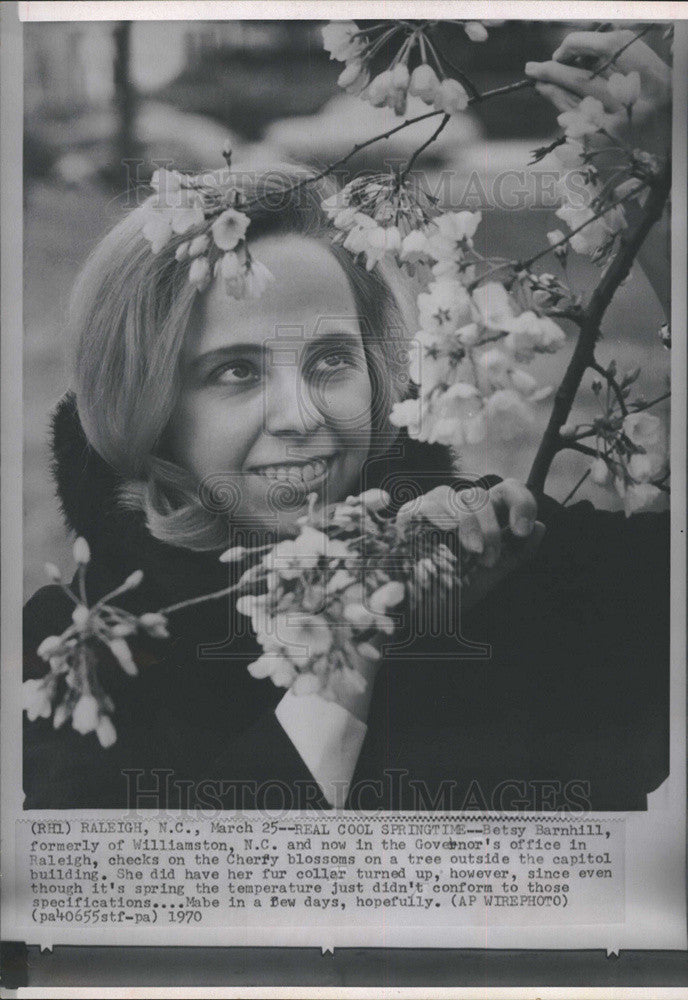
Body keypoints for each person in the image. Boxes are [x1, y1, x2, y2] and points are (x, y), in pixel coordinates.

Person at [23, 32, 670, 811]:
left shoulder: (496, 555)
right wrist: (340, 670)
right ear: (147, 406)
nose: (303, 418)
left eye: (331, 360)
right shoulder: (78, 648)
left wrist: (666, 211)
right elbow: (144, 906)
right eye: (235, 371)